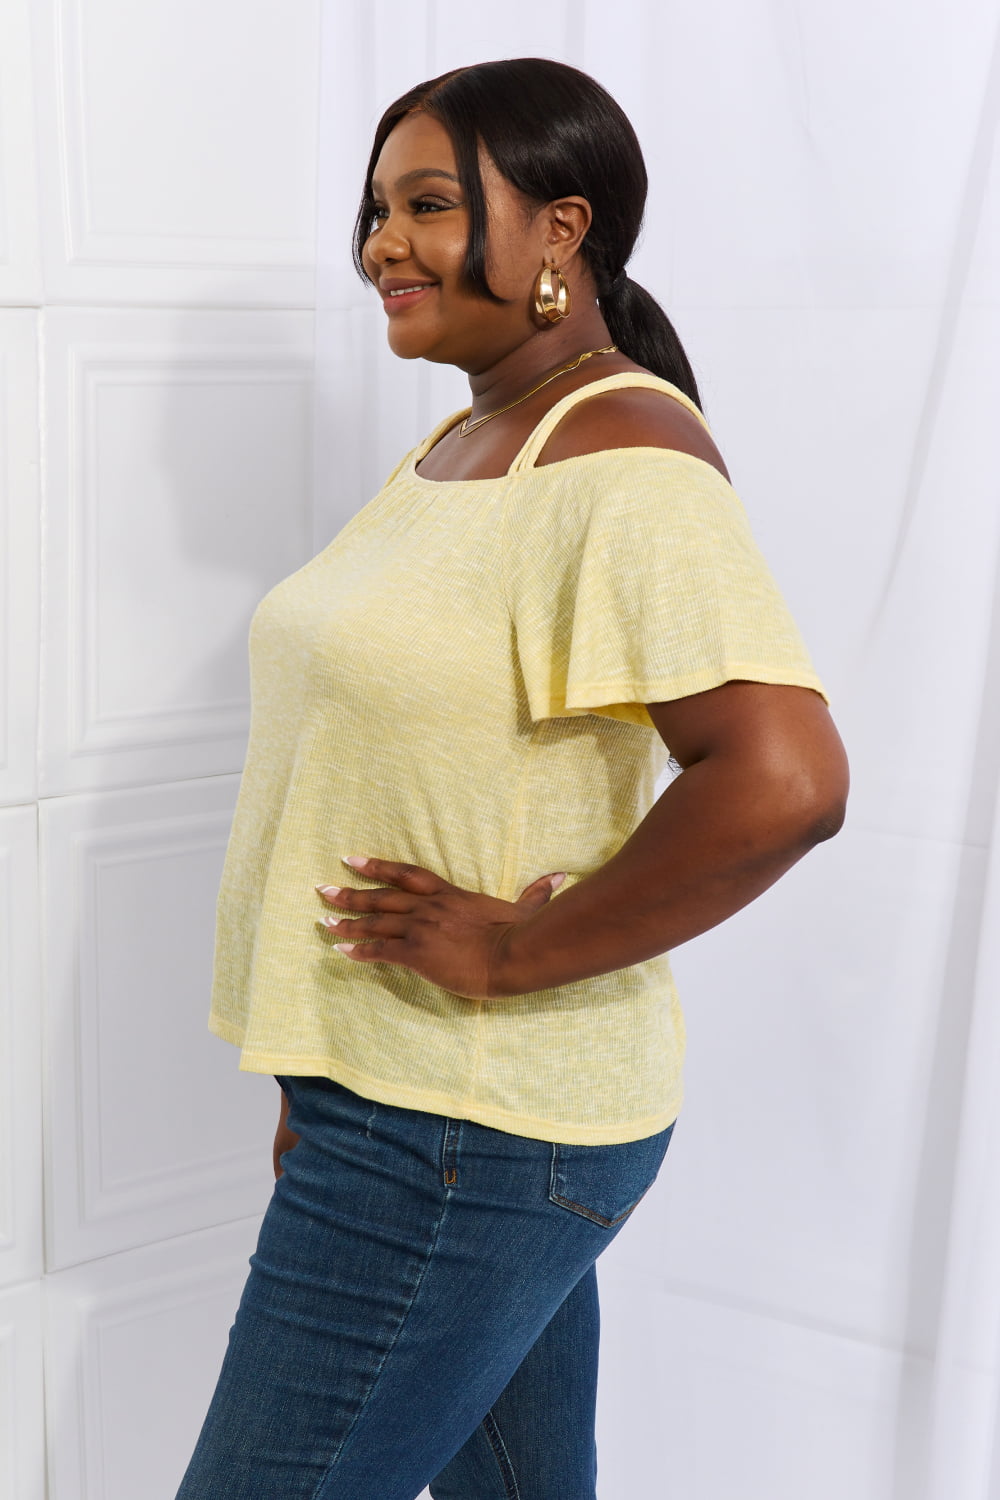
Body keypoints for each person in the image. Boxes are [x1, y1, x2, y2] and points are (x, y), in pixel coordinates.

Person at [176, 57, 849, 1500]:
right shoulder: (470, 437)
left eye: (429, 204)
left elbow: (785, 779)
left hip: (462, 1130)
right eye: (375, 209)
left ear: (561, 229)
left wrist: (511, 952)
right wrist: (319, 1062)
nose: (382, 244)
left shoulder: (628, 462)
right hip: (406, 1105)